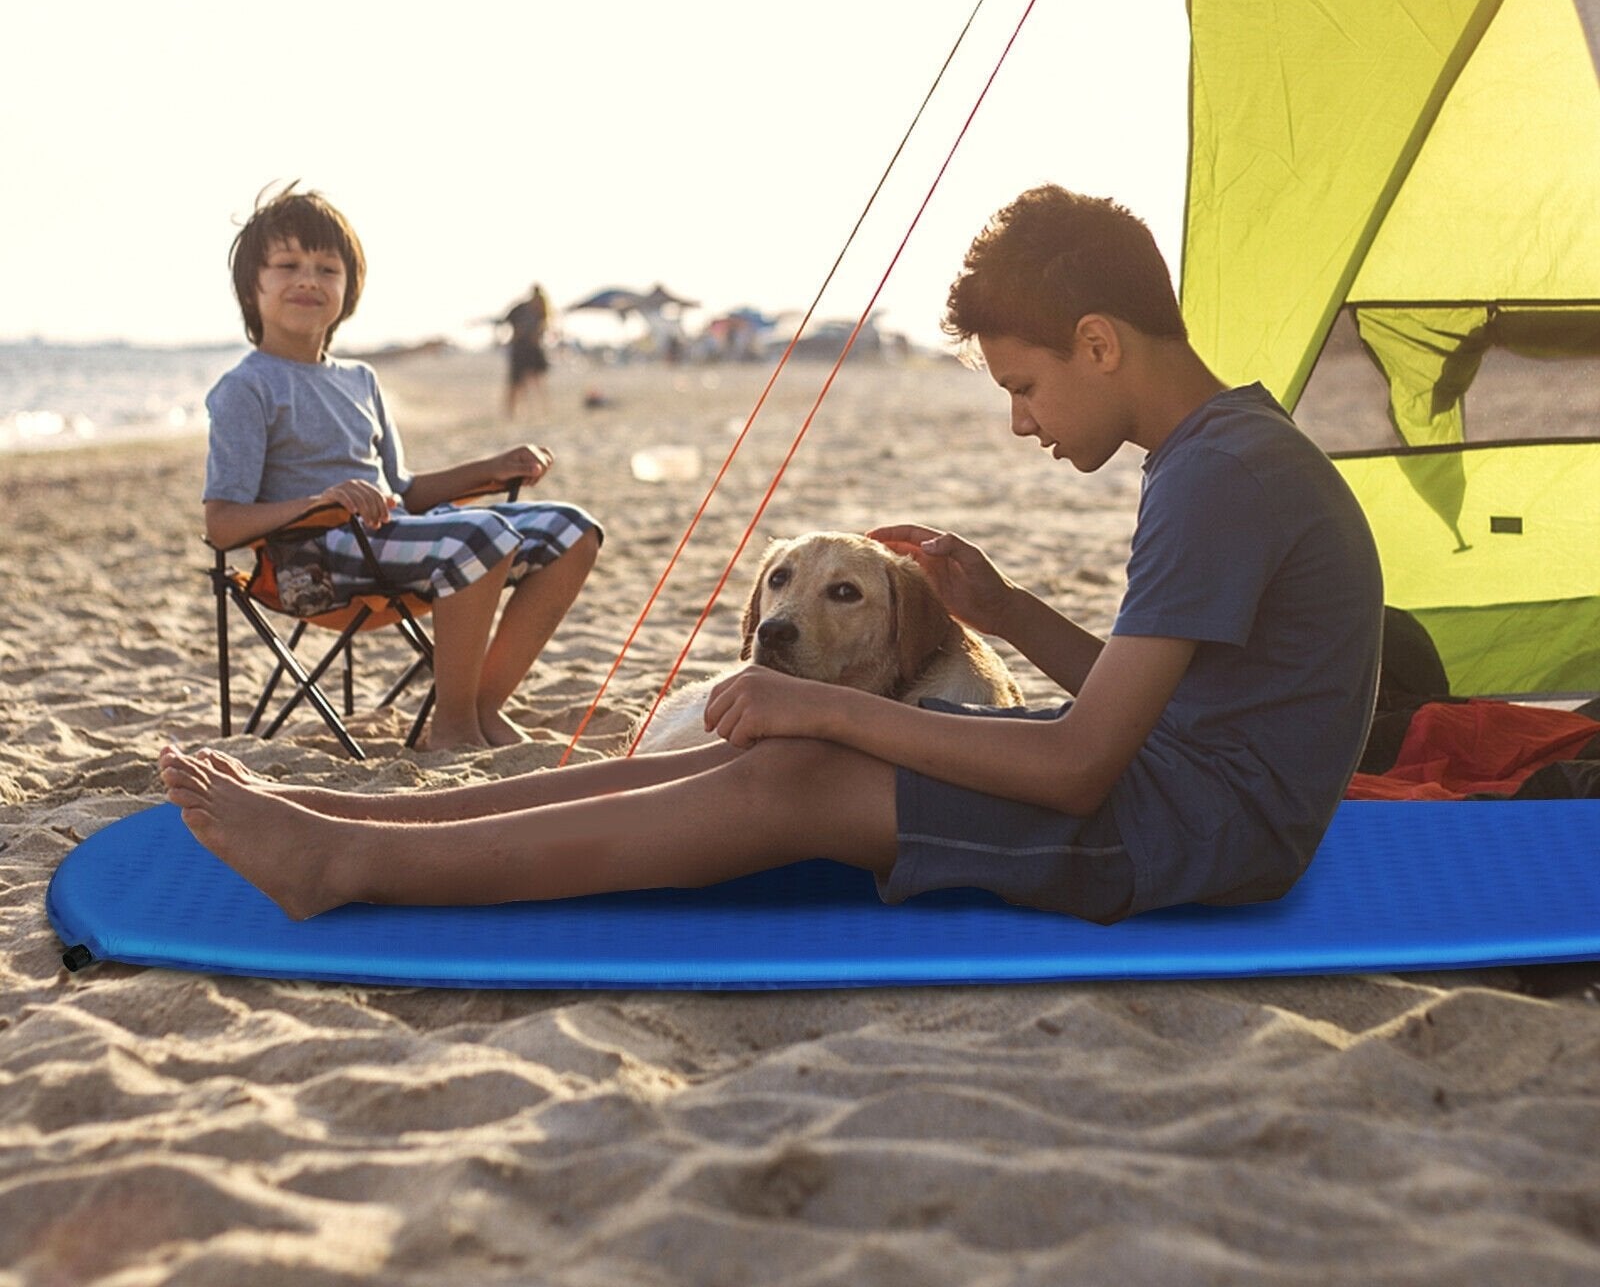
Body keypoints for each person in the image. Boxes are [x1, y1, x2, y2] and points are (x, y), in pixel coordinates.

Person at [163, 185, 1383, 925]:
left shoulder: (1219, 473)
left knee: (790, 774)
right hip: (1174, 786)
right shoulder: (1221, 450)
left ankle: (349, 860)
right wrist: (1003, 612)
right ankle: (339, 816)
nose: (1022, 420)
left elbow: (1073, 765)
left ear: (1098, 343)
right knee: (789, 742)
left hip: (1191, 840)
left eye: (1024, 386)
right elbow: (1143, 693)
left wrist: (827, 708)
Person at [202, 183, 603, 753]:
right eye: (288, 265)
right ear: (252, 286)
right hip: (310, 564)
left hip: (389, 542)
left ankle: (481, 705)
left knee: (572, 530)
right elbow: (222, 524)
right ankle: (454, 727)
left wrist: (490, 468)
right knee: (482, 538)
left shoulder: (360, 380)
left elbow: (405, 492)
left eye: (327, 268)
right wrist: (322, 503)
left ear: (349, 288)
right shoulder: (246, 388)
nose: (309, 280)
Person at [501, 283, 552, 418]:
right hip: (520, 348)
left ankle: (541, 410)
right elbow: (505, 321)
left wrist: (536, 335)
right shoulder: (521, 308)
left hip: (533, 349)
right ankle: (512, 412)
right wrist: (516, 333)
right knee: (517, 383)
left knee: (535, 381)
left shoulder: (541, 307)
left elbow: (544, 326)